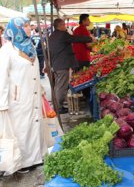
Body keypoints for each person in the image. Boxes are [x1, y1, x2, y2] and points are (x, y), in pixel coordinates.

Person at [0, 17, 48, 174]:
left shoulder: (30, 47)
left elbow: (33, 70)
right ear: (16, 29)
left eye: (29, 25)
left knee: (34, 125)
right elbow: (2, 77)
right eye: (25, 26)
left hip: (33, 94)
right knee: (22, 129)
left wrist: (40, 88)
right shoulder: (7, 51)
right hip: (17, 99)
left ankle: (36, 158)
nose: (29, 28)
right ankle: (23, 162)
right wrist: (2, 104)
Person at [48, 18, 93, 115]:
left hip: (56, 64)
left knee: (57, 86)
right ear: (60, 26)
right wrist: (90, 38)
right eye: (64, 24)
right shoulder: (63, 35)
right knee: (61, 86)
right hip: (62, 65)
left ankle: (57, 105)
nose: (65, 26)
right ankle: (58, 108)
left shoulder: (52, 36)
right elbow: (75, 39)